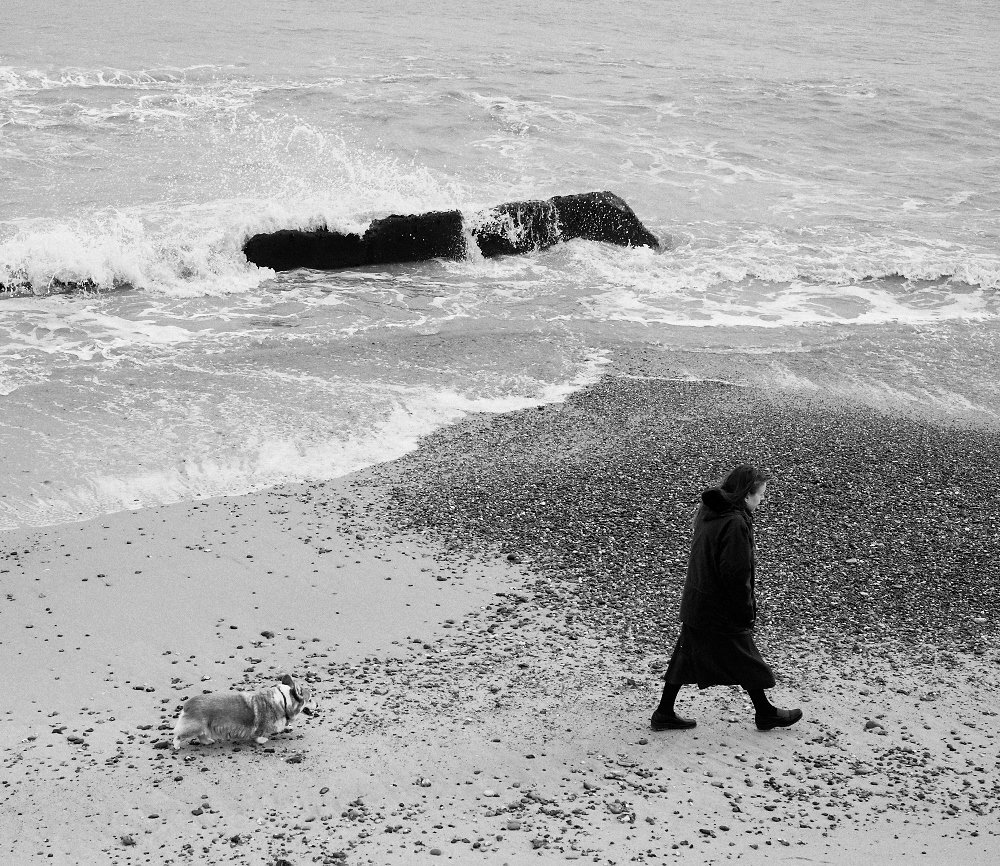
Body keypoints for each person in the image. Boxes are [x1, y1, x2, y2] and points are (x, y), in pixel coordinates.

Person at [651, 464, 802, 732]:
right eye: (761, 494)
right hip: (716, 608)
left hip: (699, 602)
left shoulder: (711, 514)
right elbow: (734, 573)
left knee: (688, 657)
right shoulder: (734, 523)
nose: (762, 500)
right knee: (745, 656)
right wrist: (745, 610)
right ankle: (765, 713)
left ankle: (664, 713)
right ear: (746, 495)